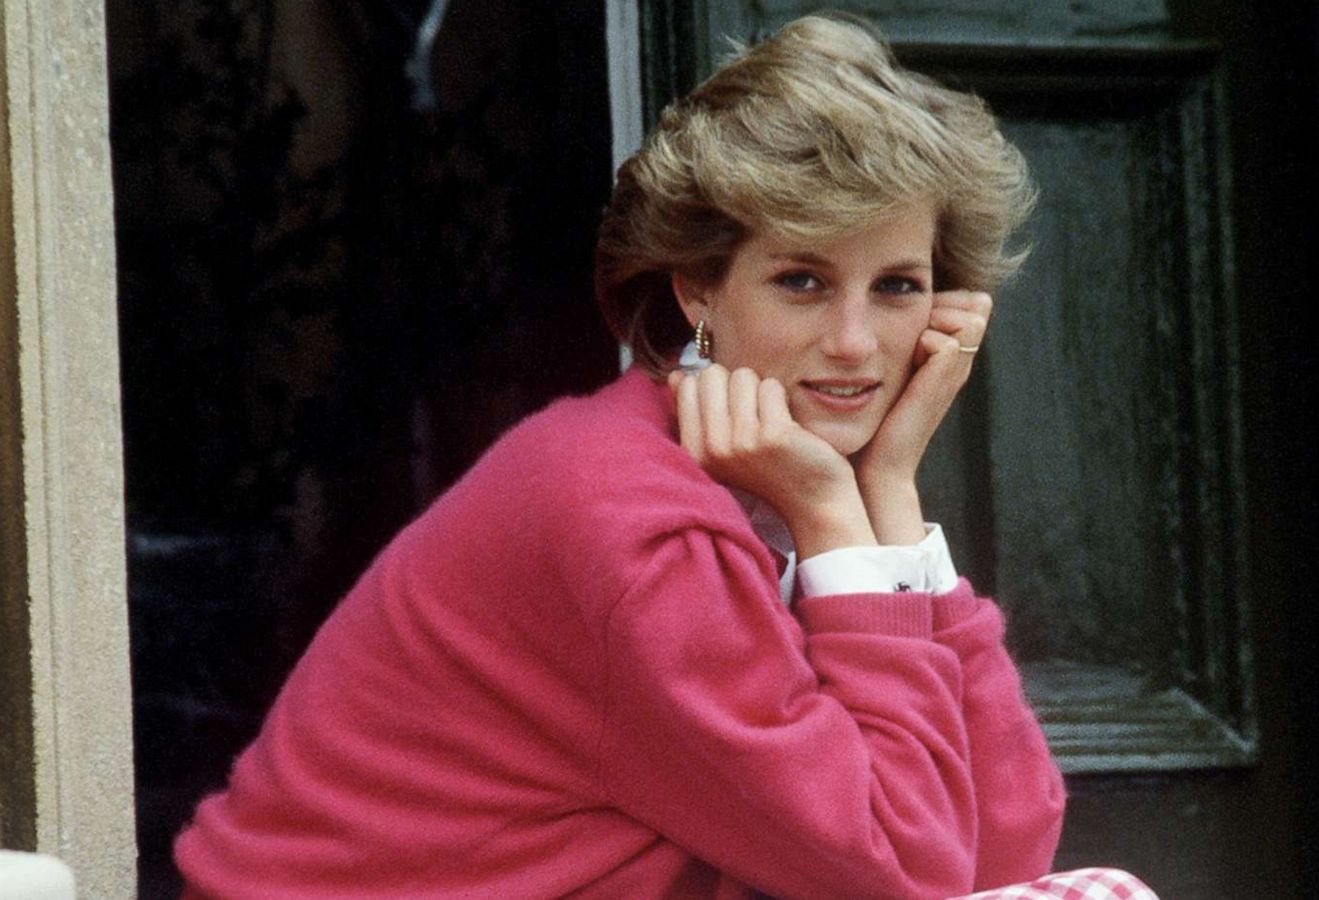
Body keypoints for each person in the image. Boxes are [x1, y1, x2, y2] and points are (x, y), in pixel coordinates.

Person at [177, 14, 1155, 899]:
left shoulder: (753, 477)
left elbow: (1004, 841)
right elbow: (906, 870)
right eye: (802, 280)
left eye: (897, 286)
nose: (857, 341)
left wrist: (887, 496)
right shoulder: (632, 516)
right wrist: (830, 515)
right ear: (697, 291)